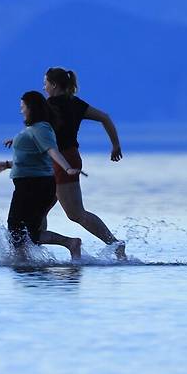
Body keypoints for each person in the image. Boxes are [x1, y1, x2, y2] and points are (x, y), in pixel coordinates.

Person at [42, 67, 127, 259]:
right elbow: (105, 117)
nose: (43, 86)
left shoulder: (49, 106)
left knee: (75, 213)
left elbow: (36, 133)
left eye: (45, 83)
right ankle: (34, 255)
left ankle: (115, 244)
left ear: (54, 85)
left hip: (63, 160)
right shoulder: (76, 103)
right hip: (61, 159)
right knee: (39, 210)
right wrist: (115, 146)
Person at [0, 91, 82, 260]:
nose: (21, 111)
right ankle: (24, 260)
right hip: (31, 184)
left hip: (35, 186)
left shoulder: (42, 128)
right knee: (26, 230)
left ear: (31, 108)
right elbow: (31, 157)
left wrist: (67, 168)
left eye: (22, 107)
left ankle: (69, 243)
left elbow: (52, 150)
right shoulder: (35, 129)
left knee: (17, 228)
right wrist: (8, 164)